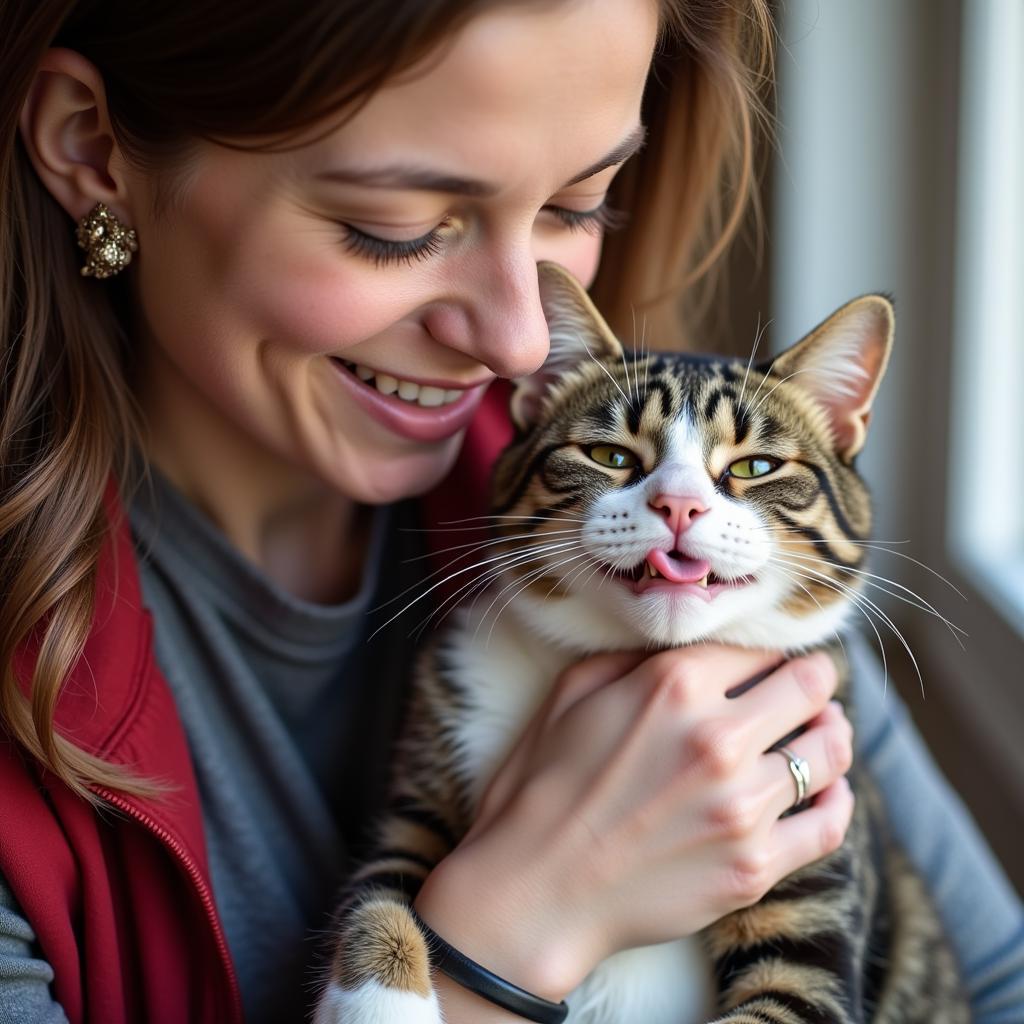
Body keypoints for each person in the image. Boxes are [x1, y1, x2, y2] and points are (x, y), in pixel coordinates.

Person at [0, 1, 1021, 1022]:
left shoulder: (707, 569)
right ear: (93, 147)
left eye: (577, 206)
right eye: (394, 227)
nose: (519, 339)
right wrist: (509, 938)